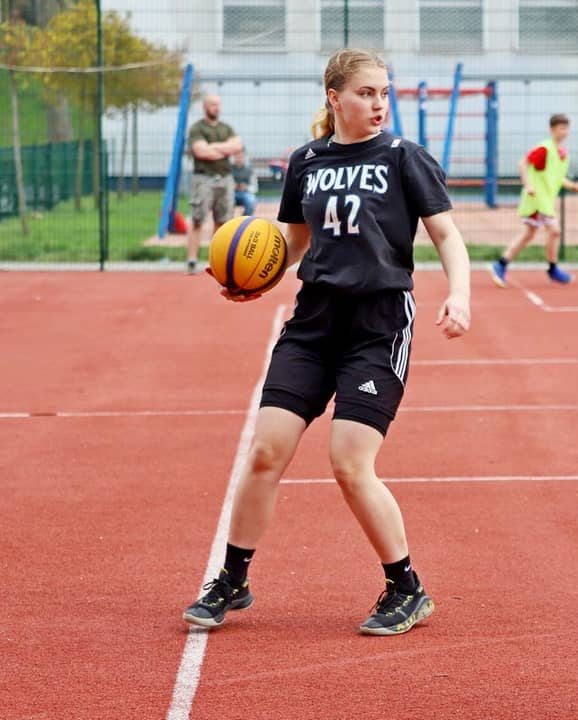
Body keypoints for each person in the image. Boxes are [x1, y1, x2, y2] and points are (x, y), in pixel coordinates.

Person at [183, 48, 471, 636]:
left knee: (349, 461)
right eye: (367, 93)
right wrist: (253, 282)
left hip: (378, 325)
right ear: (335, 98)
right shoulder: (307, 161)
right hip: (313, 324)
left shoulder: (403, 156)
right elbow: (292, 242)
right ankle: (233, 580)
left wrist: (459, 294)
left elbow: (447, 235)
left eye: (384, 92)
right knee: (265, 452)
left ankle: (406, 588)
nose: (379, 103)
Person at [489, 113, 578, 288]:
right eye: (561, 128)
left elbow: (556, 176)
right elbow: (523, 164)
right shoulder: (544, 149)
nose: (564, 132)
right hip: (537, 199)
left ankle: (501, 264)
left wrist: (572, 186)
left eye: (566, 128)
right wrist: (528, 185)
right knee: (554, 230)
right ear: (552, 129)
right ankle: (553, 269)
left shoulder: (561, 153)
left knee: (529, 233)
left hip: (545, 200)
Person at [185, 94, 242, 274]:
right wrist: (224, 149)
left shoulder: (226, 128)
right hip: (203, 179)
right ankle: (192, 260)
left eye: (218, 104)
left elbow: (237, 146)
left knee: (223, 221)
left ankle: (216, 261)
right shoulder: (197, 128)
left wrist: (212, 148)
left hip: (225, 178)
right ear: (205, 107)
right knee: (197, 219)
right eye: (212, 105)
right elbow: (200, 152)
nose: (216, 108)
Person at [230, 149, 258, 217]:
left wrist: (246, 187)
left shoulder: (250, 170)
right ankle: (228, 221)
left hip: (245, 193)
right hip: (231, 193)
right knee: (225, 201)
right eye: (237, 156)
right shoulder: (228, 169)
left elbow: (255, 188)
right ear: (233, 157)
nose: (239, 158)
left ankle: (245, 219)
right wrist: (232, 186)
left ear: (245, 157)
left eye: (241, 156)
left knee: (251, 200)